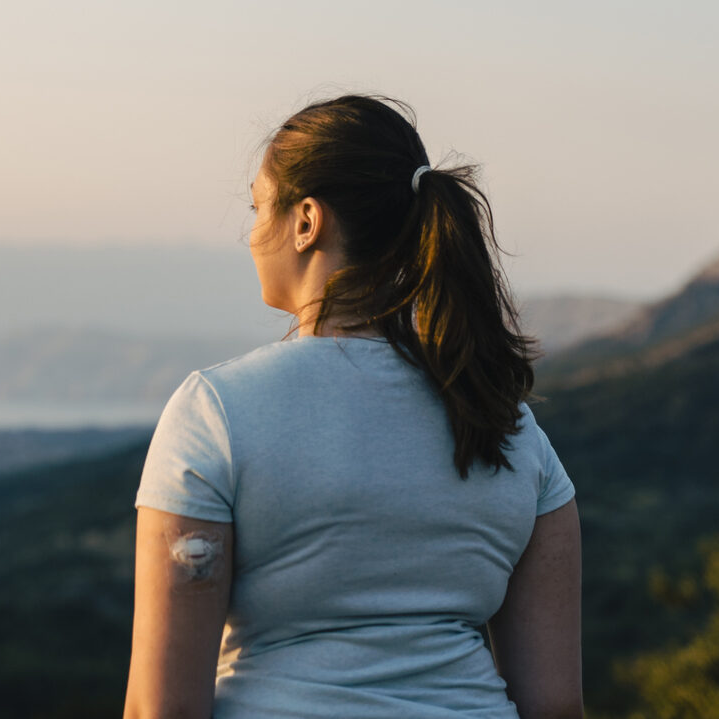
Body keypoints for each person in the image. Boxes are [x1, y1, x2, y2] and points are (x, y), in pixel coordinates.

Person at [123, 94, 583, 719]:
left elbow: (162, 709)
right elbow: (554, 706)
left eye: (259, 207)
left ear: (307, 220)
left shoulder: (218, 413)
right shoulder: (509, 425)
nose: (253, 235)